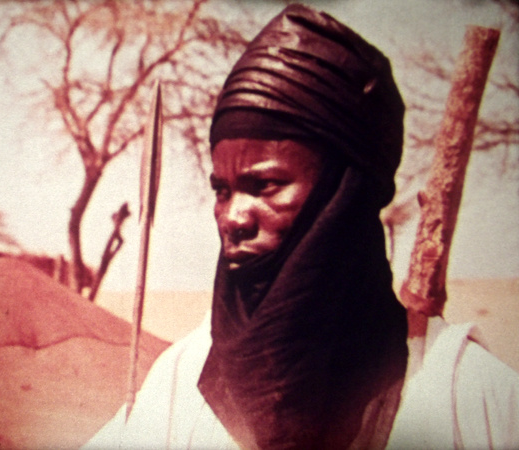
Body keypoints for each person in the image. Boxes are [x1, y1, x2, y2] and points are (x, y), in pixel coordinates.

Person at [84, 4, 519, 449]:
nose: (233, 217)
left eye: (265, 185)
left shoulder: (470, 401)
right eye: (222, 190)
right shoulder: (177, 387)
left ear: (345, 194)